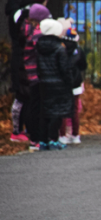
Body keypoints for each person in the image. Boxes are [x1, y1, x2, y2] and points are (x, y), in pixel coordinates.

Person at [5, 0, 48, 143]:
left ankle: (24, 129)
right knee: (24, 96)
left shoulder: (21, 15)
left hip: (24, 59)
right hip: (24, 60)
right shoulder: (24, 19)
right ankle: (19, 130)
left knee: (26, 96)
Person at [36, 18, 77, 150]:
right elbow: (64, 68)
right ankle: (53, 138)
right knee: (57, 112)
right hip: (59, 84)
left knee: (45, 112)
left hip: (44, 83)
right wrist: (69, 82)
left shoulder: (39, 47)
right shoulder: (59, 49)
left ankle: (43, 140)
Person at [20, 3, 52, 151]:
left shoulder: (27, 29)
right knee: (38, 107)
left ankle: (34, 136)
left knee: (34, 105)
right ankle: (37, 137)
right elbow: (42, 52)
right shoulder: (38, 32)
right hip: (38, 73)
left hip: (30, 71)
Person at [57, 18, 86, 145]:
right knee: (74, 109)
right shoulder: (78, 50)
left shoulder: (60, 49)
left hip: (63, 82)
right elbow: (83, 65)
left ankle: (62, 135)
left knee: (63, 109)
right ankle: (75, 134)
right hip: (75, 82)